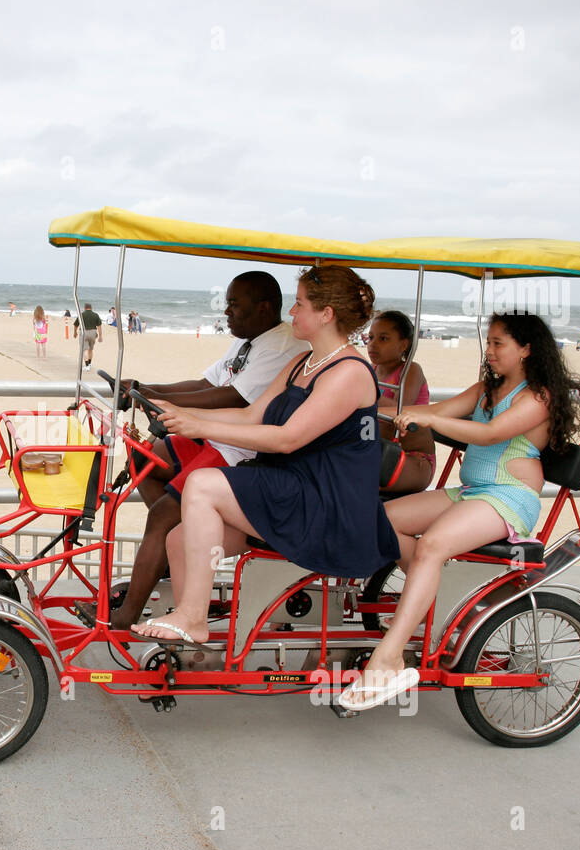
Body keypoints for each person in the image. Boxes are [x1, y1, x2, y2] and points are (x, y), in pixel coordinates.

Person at [129, 265, 399, 646]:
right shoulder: (301, 363)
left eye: (300, 304)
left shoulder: (349, 372)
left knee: (203, 485)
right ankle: (189, 655)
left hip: (325, 508)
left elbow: (287, 439)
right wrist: (178, 412)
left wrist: (199, 427)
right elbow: (250, 415)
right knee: (178, 539)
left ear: (326, 314)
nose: (291, 313)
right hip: (290, 490)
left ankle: (193, 617)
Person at [337, 311, 580, 710]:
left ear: (526, 349)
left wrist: (427, 418)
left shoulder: (537, 397)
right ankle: (431, 586)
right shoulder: (487, 388)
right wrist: (407, 413)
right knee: (376, 519)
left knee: (433, 544)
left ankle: (389, 659)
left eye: (498, 343)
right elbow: (442, 410)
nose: (490, 351)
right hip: (470, 492)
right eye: (489, 343)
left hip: (508, 496)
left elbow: (490, 433)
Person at [76, 272, 308, 630]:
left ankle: (127, 615)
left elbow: (233, 398)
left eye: (234, 304)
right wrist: (144, 388)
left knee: (162, 515)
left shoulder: (280, 347)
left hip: (241, 449)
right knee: (144, 458)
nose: (226, 311)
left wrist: (161, 401)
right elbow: (205, 383)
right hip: (217, 438)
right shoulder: (249, 341)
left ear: (263, 308)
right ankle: (168, 551)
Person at [367, 310, 435, 494]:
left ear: (403, 344)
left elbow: (401, 409)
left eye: (383, 339)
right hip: (377, 451)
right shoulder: (371, 370)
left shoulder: (410, 370)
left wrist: (365, 392)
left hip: (412, 460)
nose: (372, 344)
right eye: (371, 337)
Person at [75, 303, 102, 367]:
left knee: (85, 350)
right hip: (93, 332)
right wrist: (100, 336)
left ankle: (87, 366)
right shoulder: (95, 315)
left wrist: (75, 332)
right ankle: (89, 364)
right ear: (91, 308)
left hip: (84, 332)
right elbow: (99, 326)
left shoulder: (81, 315)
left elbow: (76, 325)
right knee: (91, 349)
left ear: (84, 308)